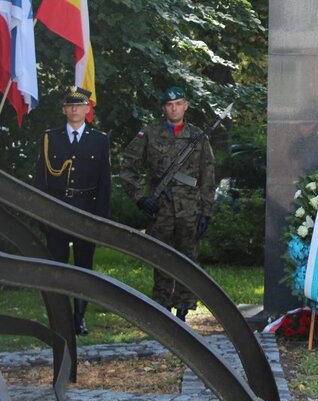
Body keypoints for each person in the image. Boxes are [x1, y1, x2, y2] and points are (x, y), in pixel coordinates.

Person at [119, 86, 215, 320]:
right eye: (169, 105)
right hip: (160, 209)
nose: (174, 108)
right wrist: (140, 198)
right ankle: (162, 310)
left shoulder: (198, 136)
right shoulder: (150, 133)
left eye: (178, 103)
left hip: (190, 210)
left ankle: (183, 309)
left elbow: (208, 175)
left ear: (186, 106)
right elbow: (127, 167)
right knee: (161, 259)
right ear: (164, 108)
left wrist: (206, 211)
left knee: (188, 261)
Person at [35, 86, 111, 335]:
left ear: (87, 109)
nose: (75, 109)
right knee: (56, 266)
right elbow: (41, 180)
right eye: (70, 106)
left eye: (79, 105)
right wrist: (42, 214)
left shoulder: (99, 140)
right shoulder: (50, 138)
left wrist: (99, 220)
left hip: (86, 211)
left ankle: (79, 317)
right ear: (64, 110)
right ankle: (60, 317)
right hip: (56, 209)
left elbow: (104, 183)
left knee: (83, 267)